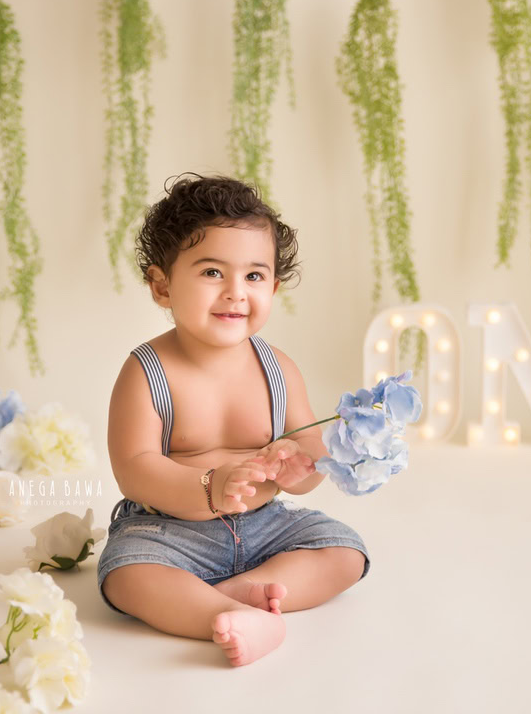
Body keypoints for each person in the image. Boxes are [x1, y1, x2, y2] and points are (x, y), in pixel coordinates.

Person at [97, 173, 370, 667]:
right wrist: (210, 486)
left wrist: (303, 468)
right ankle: (230, 614)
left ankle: (238, 594)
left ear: (274, 285)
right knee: (126, 573)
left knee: (345, 553)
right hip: (170, 533)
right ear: (162, 285)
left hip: (266, 528)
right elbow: (134, 468)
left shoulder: (278, 369)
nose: (235, 293)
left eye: (253, 276)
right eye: (211, 273)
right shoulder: (147, 372)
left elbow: (306, 454)